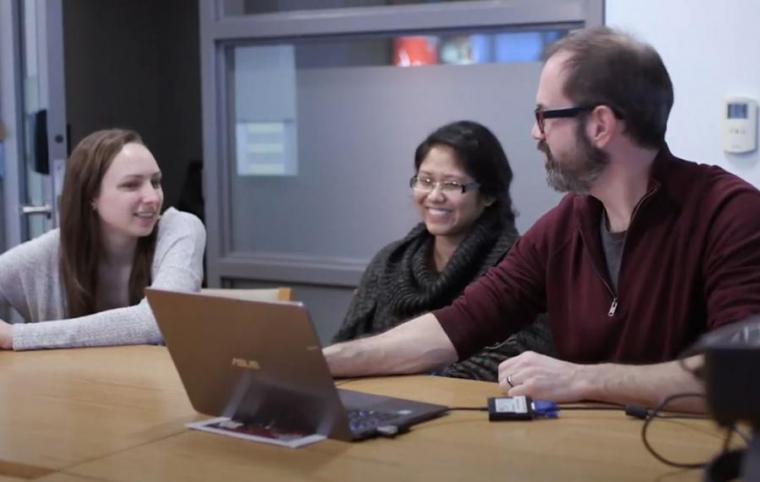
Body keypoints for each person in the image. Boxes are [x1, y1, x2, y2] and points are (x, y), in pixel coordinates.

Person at [324, 27, 760, 410]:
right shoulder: (568, 223)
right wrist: (324, 361)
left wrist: (582, 378)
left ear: (600, 125)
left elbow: (743, 374)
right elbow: (458, 324)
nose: (535, 134)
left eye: (543, 116)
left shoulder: (730, 214)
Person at [332, 120, 553, 381]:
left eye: (451, 184)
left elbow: (514, 359)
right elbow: (349, 342)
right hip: (380, 406)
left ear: (489, 195)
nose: (434, 195)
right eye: (425, 181)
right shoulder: (389, 261)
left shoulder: (517, 266)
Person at [0, 128, 206, 350]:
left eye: (155, 182)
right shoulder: (53, 249)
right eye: (131, 185)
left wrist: (18, 336)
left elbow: (158, 320)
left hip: (160, 383)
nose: (153, 197)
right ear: (91, 197)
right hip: (71, 383)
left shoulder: (180, 228)